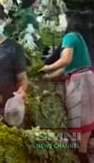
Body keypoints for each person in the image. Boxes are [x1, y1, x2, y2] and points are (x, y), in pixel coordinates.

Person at [41, 13, 94, 163]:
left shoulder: (69, 37)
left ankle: (77, 152)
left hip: (79, 82)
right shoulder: (80, 38)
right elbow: (67, 68)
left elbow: (65, 60)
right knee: (87, 117)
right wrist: (47, 77)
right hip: (88, 78)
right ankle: (82, 152)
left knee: (76, 118)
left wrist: (47, 67)